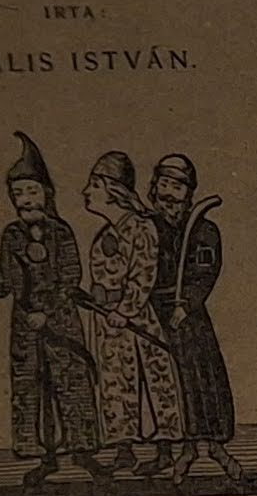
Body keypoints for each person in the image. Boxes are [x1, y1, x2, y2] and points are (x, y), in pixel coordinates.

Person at [0, 135, 100, 486]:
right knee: (32, 389)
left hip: (61, 324)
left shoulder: (61, 232)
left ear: (46, 193)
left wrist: (47, 313)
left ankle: (83, 454)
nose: (25, 199)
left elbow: (70, 279)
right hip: (26, 331)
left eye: (31, 191)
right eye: (18, 194)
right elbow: (3, 287)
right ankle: (45, 458)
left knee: (72, 385)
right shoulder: (12, 236)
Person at [76, 151, 183, 478]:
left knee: (153, 381)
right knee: (114, 383)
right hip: (107, 322)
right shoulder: (103, 234)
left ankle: (164, 451)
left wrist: (125, 310)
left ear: (113, 190)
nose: (86, 192)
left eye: (94, 185)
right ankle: (124, 450)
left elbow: (143, 276)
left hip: (135, 320)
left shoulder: (141, 228)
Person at [145, 154, 236, 478]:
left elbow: (205, 274)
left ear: (188, 192)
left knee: (200, 377)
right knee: (163, 382)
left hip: (189, 315)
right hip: (152, 312)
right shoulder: (146, 228)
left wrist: (185, 307)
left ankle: (211, 443)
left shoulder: (204, 230)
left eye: (177, 186)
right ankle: (168, 450)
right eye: (164, 184)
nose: (169, 193)